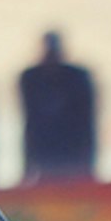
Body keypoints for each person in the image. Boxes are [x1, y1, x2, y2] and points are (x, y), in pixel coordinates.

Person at [16, 31, 99, 180]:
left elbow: (87, 121)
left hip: (72, 156)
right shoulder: (30, 79)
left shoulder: (77, 77)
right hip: (44, 157)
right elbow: (29, 122)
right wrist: (27, 167)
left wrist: (88, 164)